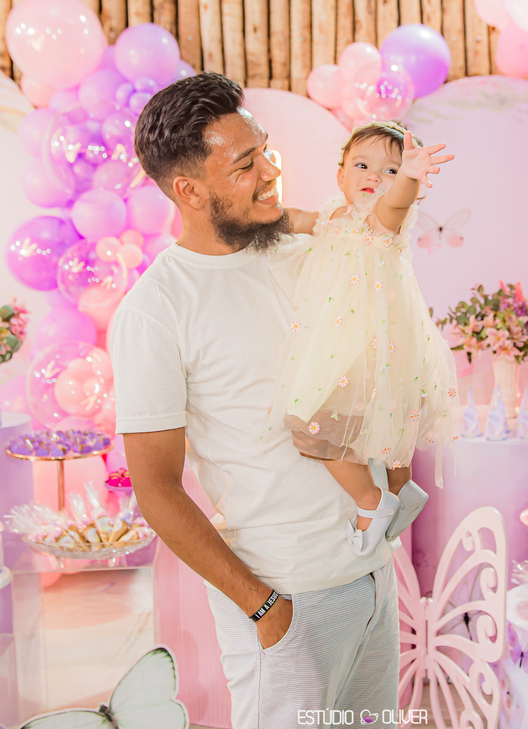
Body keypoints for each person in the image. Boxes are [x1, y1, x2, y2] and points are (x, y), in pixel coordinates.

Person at [109, 72, 398, 729]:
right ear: (189, 190)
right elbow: (156, 488)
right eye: (245, 165)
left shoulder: (302, 251)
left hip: (372, 578)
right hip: (287, 596)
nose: (271, 171)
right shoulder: (157, 310)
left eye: (265, 150)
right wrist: (263, 607)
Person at [270, 121, 461, 556]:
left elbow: (396, 201)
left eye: (389, 170)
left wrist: (408, 177)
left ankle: (371, 502)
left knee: (314, 426)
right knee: (385, 425)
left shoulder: (383, 220)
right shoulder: (332, 216)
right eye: (362, 166)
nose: (374, 177)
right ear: (341, 176)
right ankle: (402, 489)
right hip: (359, 344)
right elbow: (296, 218)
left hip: (365, 349)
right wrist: (253, 214)